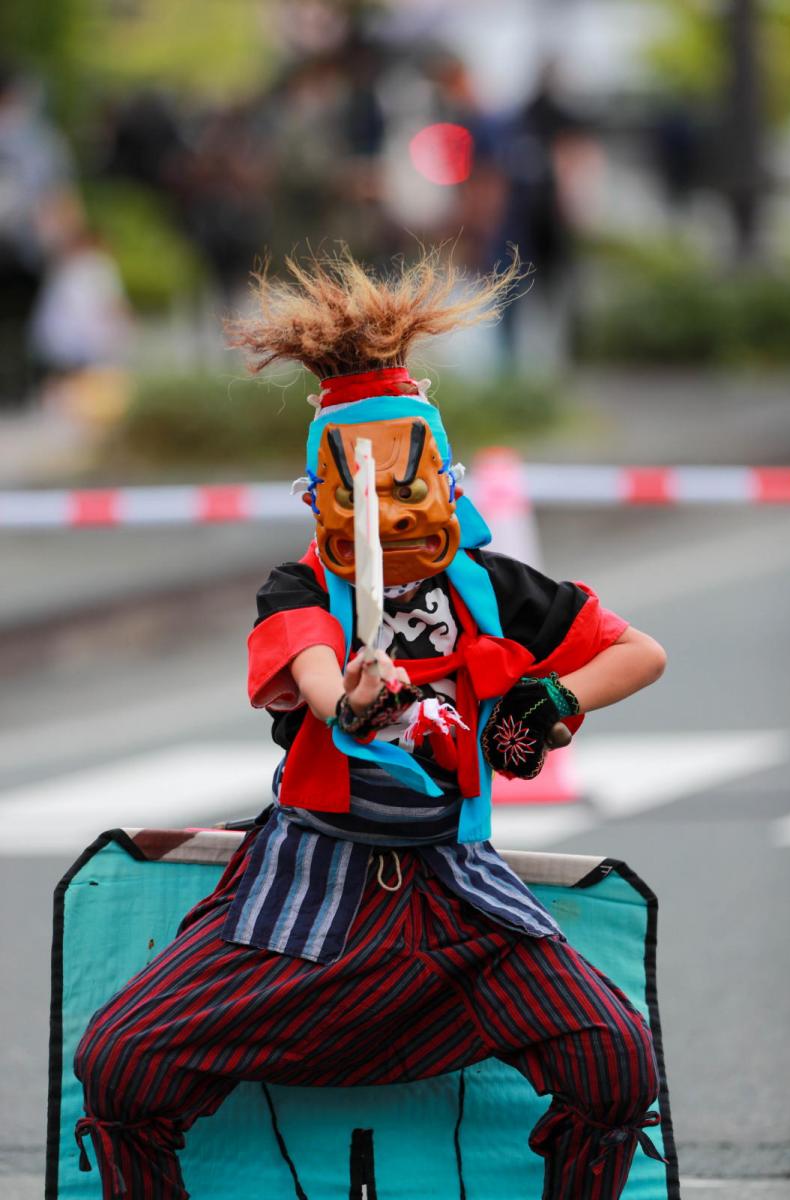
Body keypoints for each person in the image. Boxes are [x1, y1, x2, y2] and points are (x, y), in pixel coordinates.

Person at [74, 248, 668, 1199]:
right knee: (120, 1064)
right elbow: (311, 672)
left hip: (455, 898)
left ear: (441, 472)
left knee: (614, 1063)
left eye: (404, 480)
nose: (385, 509)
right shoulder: (302, 586)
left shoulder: (492, 587)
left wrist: (556, 698)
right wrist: (351, 699)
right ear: (321, 491)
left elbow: (638, 651)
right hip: (307, 895)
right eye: (363, 485)